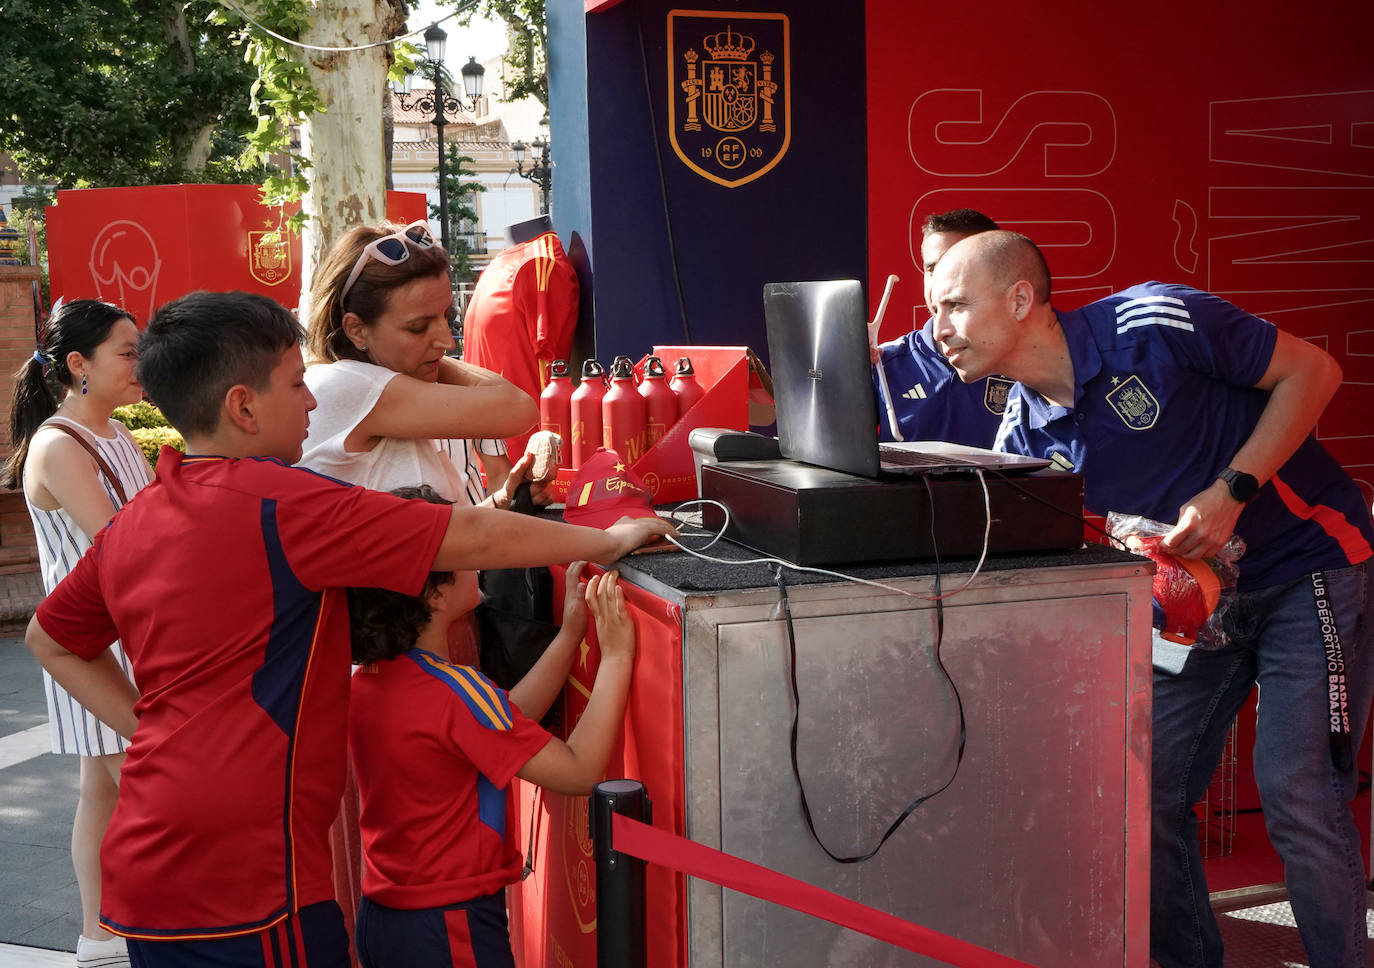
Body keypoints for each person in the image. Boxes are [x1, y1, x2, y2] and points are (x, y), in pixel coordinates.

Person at [24, 290, 673, 968]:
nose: (312, 402)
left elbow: (51, 639)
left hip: (148, 870)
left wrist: (152, 732)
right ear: (243, 406)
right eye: (298, 384)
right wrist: (608, 541)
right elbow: (471, 535)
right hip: (250, 884)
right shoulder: (285, 505)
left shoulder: (141, 515)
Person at [929, 230, 1374, 968]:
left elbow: (1316, 374)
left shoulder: (1154, 322)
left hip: (1309, 565)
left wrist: (1234, 490)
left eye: (953, 305)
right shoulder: (1023, 434)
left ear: (1019, 300)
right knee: (1144, 794)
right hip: (1198, 610)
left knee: (1299, 797)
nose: (937, 329)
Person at [346, 488, 634, 968]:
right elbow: (580, 771)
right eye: (463, 547)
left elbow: (498, 724)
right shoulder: (454, 692)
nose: (478, 555)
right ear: (433, 593)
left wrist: (568, 638)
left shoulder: (376, 679)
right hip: (448, 923)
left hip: (386, 917)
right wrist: (619, 655)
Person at [1, 298, 151, 968]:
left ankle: (100, 934)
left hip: (112, 641)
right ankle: (128, 929)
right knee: (145, 790)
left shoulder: (111, 431)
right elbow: (122, 545)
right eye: (127, 351)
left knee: (104, 787)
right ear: (77, 365)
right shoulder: (62, 445)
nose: (138, 362)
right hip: (93, 648)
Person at [301, 219, 545, 512]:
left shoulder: (383, 384)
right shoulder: (347, 384)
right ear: (357, 330)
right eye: (418, 327)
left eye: (447, 316)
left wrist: (499, 503)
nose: (447, 341)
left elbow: (428, 536)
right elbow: (519, 408)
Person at [870, 209, 1011, 446]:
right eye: (932, 268)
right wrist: (836, 373)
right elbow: (820, 445)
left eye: (955, 265)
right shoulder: (882, 362)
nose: (941, 280)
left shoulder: (1025, 363)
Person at [460, 214, 579, 457]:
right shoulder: (514, 263)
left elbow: (550, 375)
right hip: (500, 449)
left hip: (523, 454)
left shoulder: (538, 262)